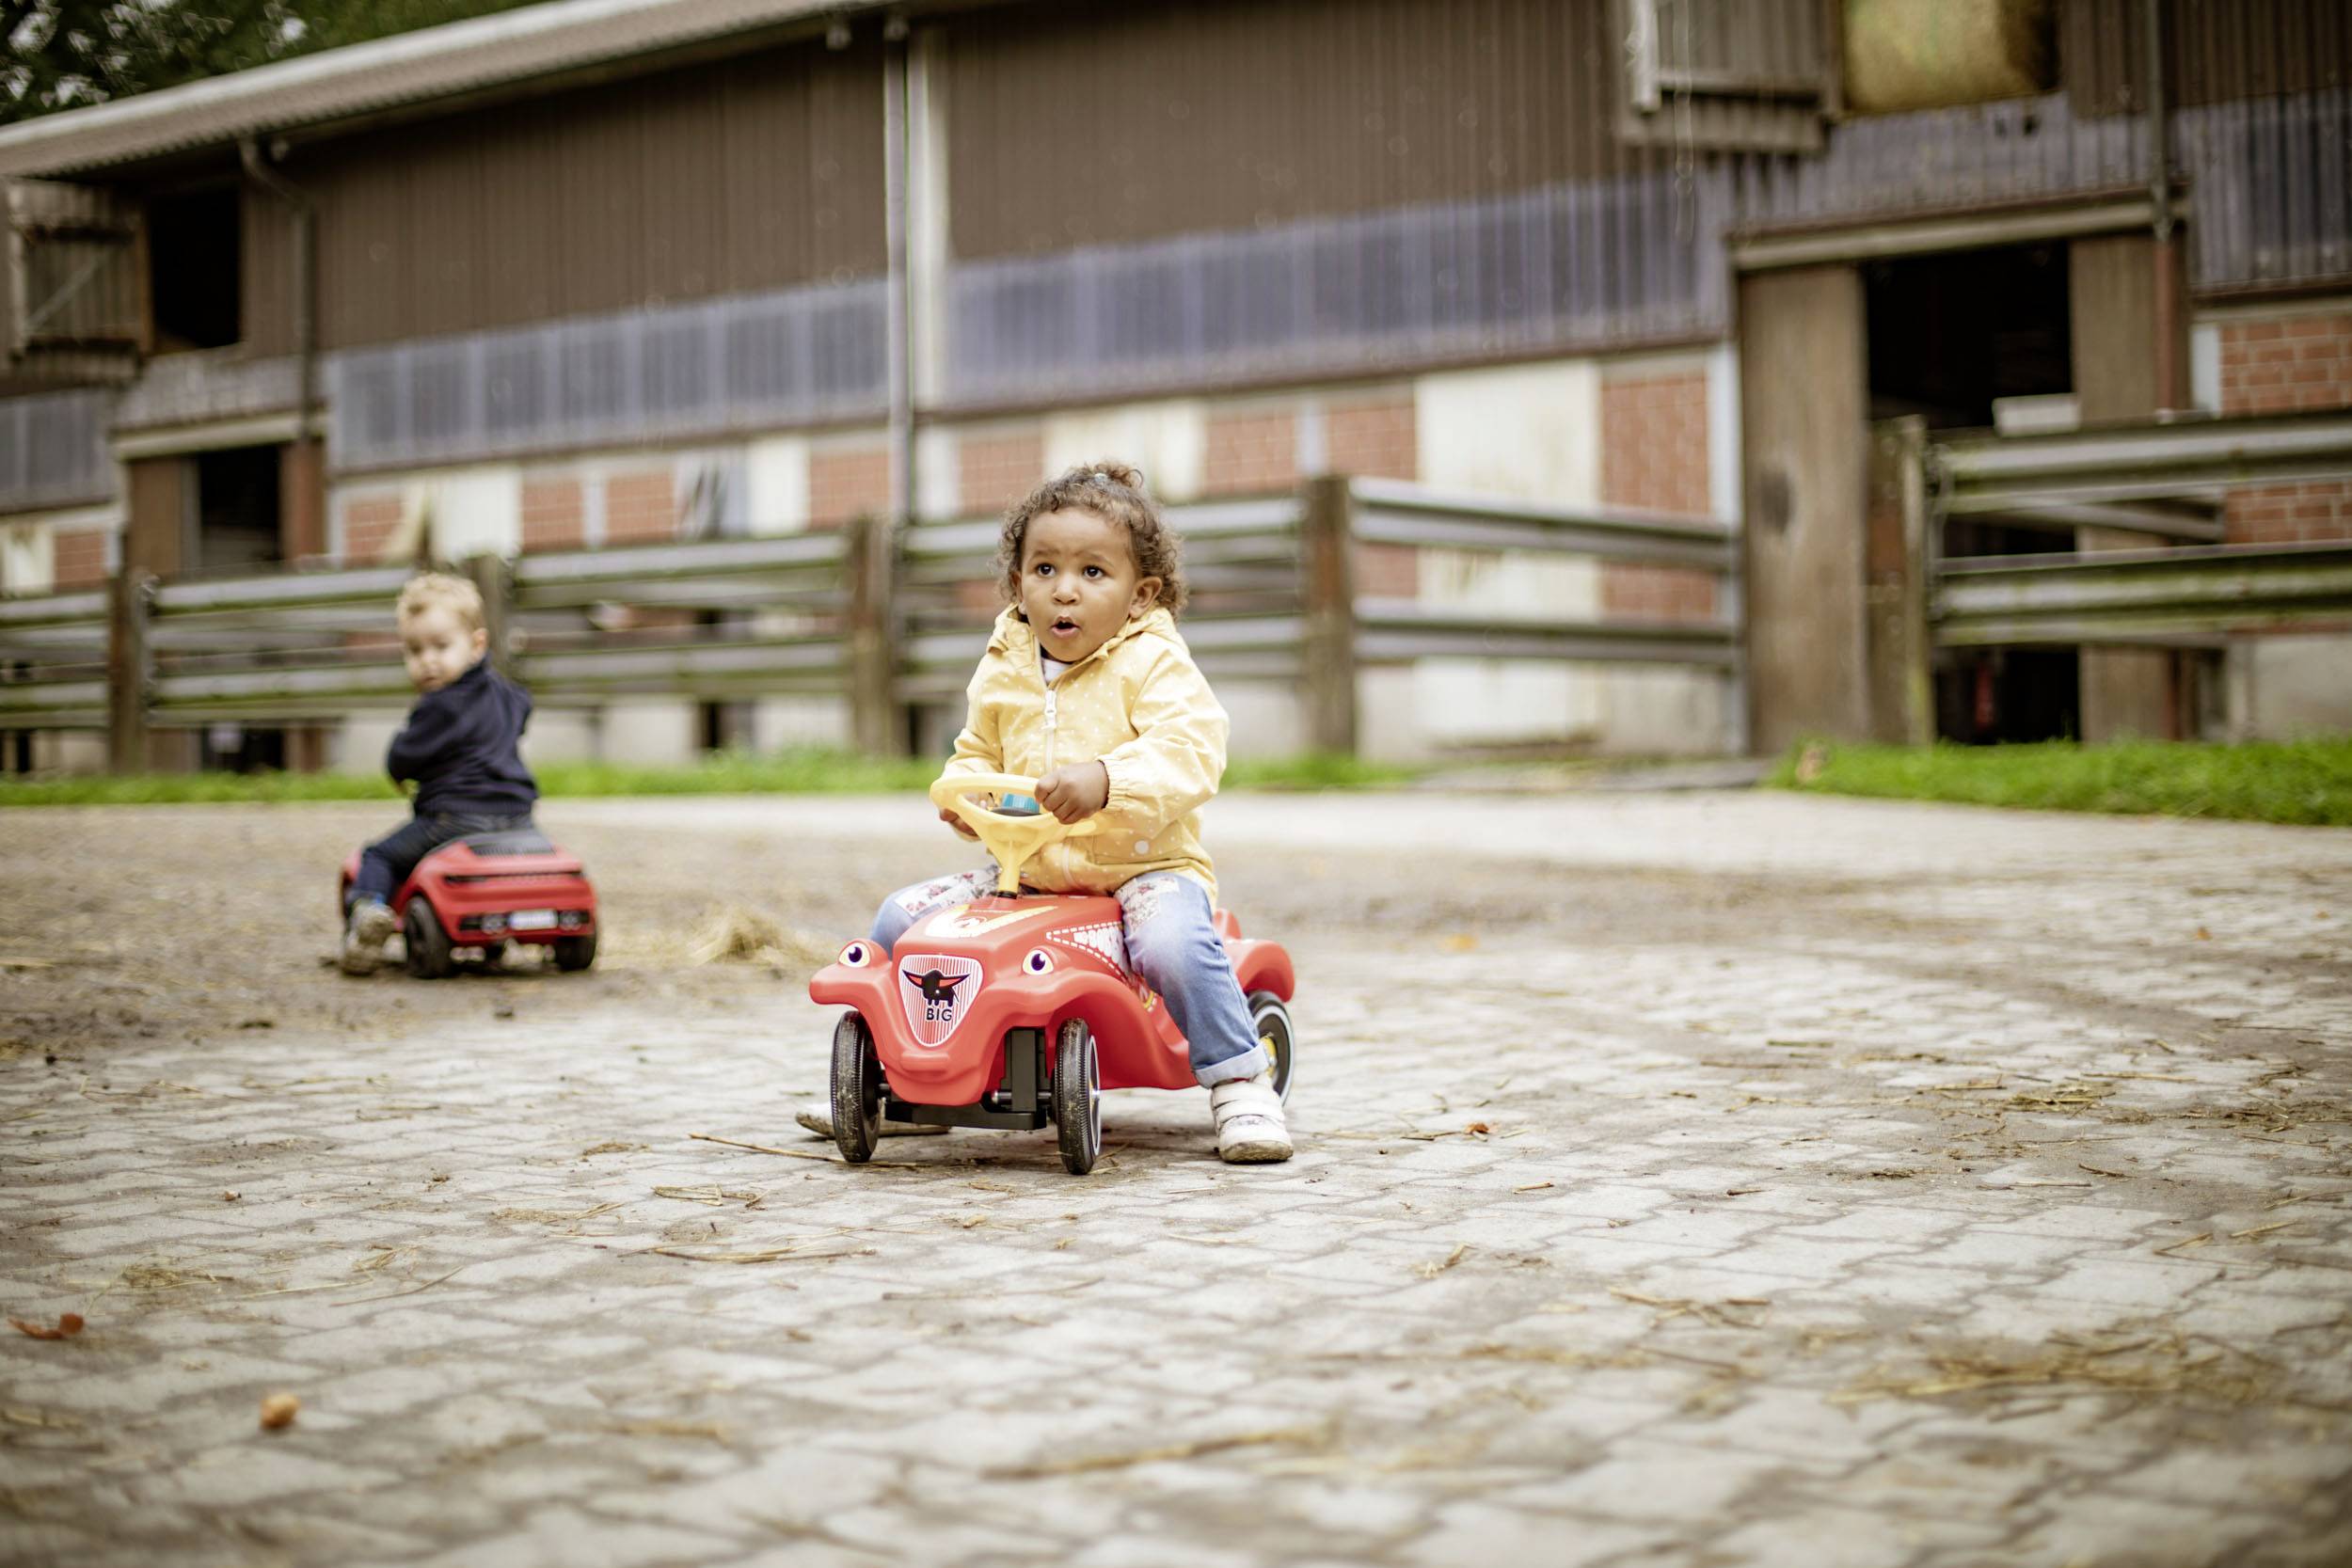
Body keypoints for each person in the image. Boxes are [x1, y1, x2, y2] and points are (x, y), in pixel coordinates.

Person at [813, 461, 1292, 1163]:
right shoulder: (1006, 662)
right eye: (1044, 568)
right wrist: (967, 795)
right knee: (900, 919)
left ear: (1139, 594)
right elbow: (976, 750)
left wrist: (1107, 779)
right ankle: (910, 1082)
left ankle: (1239, 1080)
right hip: (1026, 873)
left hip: (1142, 866)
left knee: (1170, 946)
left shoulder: (1153, 661)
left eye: (1094, 573)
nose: (1065, 589)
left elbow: (1192, 751)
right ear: (1017, 584)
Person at [340, 573, 538, 975]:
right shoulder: (506, 692)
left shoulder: (439, 705)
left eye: (441, 647)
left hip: (454, 819)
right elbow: (523, 709)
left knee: (378, 855)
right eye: (415, 650)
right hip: (518, 816)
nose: (428, 661)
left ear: (477, 644)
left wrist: (398, 770)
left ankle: (369, 911)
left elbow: (403, 757)